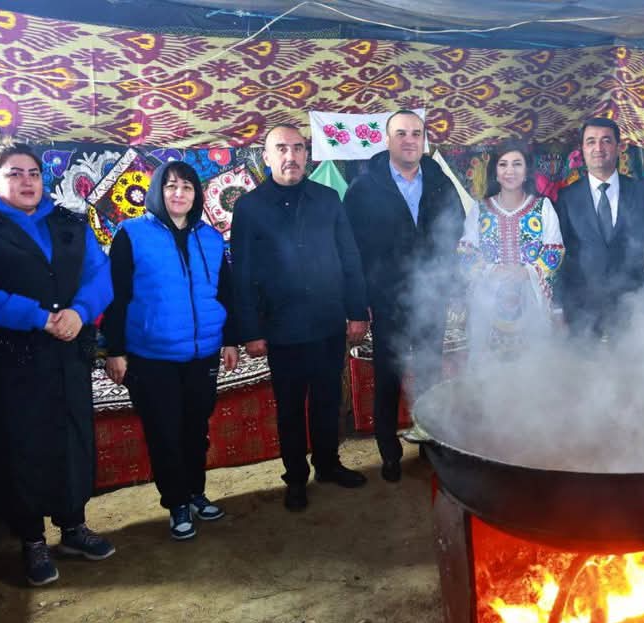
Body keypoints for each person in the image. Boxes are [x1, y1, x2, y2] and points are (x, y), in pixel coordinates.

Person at [0, 141, 115, 586]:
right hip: (6, 362)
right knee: (21, 445)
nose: (27, 181)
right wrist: (38, 318)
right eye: (14, 173)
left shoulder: (69, 222)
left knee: (70, 436)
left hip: (65, 354)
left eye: (33, 173)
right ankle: (32, 540)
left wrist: (79, 312)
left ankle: (73, 527)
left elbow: (101, 274)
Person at [230, 125, 370, 511]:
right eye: (281, 149)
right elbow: (241, 273)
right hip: (281, 328)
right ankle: (295, 477)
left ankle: (328, 464)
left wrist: (356, 311)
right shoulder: (249, 207)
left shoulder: (328, 199)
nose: (290, 156)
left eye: (297, 148)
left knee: (328, 400)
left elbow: (349, 256)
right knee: (290, 409)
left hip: (327, 322)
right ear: (266, 157)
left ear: (307, 154)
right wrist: (251, 331)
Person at [101, 161, 239, 540]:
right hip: (152, 355)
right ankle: (176, 502)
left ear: (197, 194)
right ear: (157, 191)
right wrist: (115, 350)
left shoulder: (211, 238)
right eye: (171, 186)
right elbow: (116, 296)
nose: (179, 194)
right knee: (165, 433)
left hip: (202, 353)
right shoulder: (131, 234)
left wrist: (229, 339)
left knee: (196, 429)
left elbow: (225, 292)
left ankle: (195, 493)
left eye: (187, 187)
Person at [344, 110, 465, 483]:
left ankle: (430, 445)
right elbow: (352, 250)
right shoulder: (363, 189)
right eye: (401, 133)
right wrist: (362, 299)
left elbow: (456, 229)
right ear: (387, 139)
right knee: (388, 377)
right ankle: (389, 453)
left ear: (424, 139)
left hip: (431, 295)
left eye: (416, 133)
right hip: (387, 300)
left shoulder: (440, 182)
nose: (409, 140)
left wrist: (447, 279)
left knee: (430, 374)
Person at [554, 117, 644, 337]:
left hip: (632, 309)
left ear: (619, 147)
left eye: (606, 141)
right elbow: (559, 258)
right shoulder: (567, 197)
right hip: (580, 311)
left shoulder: (640, 192)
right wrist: (557, 309)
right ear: (582, 149)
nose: (598, 148)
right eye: (591, 141)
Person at [457, 141, 564, 361]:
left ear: (526, 172)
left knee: (532, 368)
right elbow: (466, 253)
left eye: (517, 164)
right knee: (489, 371)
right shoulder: (480, 209)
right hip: (488, 309)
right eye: (503, 164)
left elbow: (554, 252)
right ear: (495, 172)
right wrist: (491, 270)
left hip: (531, 306)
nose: (510, 171)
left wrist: (527, 272)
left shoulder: (543, 207)